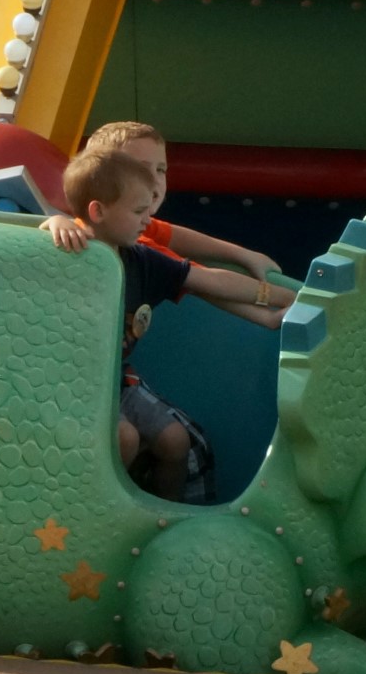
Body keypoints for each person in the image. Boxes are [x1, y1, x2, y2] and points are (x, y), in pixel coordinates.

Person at [61, 148, 295, 501]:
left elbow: (211, 281)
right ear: (98, 211)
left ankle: (160, 515)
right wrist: (53, 223)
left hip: (114, 383)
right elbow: (30, 245)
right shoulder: (69, 253)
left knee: (176, 439)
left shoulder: (140, 258)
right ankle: (101, 517)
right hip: (68, 385)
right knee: (123, 439)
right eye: (138, 212)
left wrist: (284, 298)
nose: (146, 220)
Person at [43, 122, 282, 283]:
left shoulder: (130, 227)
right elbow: (209, 282)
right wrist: (280, 297)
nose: (155, 181)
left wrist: (244, 255)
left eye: (161, 169)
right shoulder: (137, 246)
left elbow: (173, 235)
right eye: (141, 170)